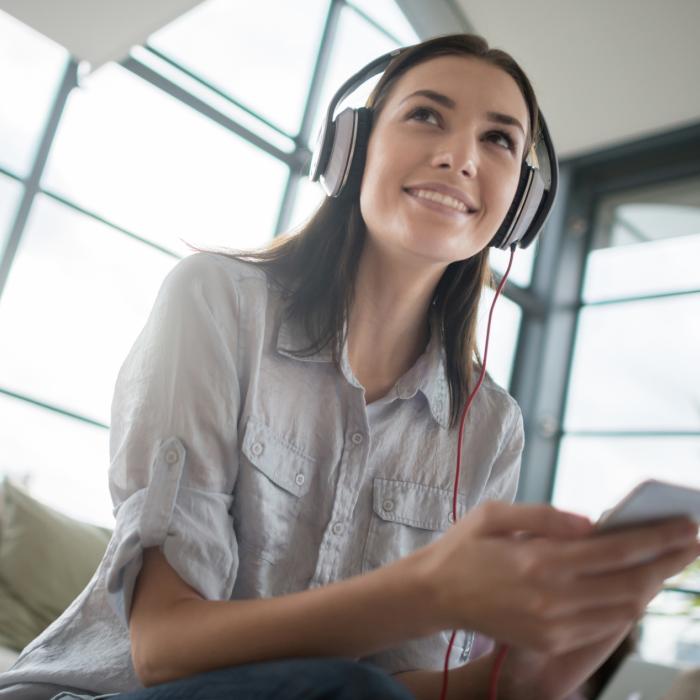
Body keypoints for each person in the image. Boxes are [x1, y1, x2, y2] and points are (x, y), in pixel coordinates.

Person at [0, 33, 697, 700]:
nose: (460, 157)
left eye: (498, 139)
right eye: (426, 115)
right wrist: (427, 590)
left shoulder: (489, 427)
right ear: (352, 150)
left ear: (521, 203)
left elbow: (392, 688)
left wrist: (513, 684)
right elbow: (162, 648)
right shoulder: (217, 301)